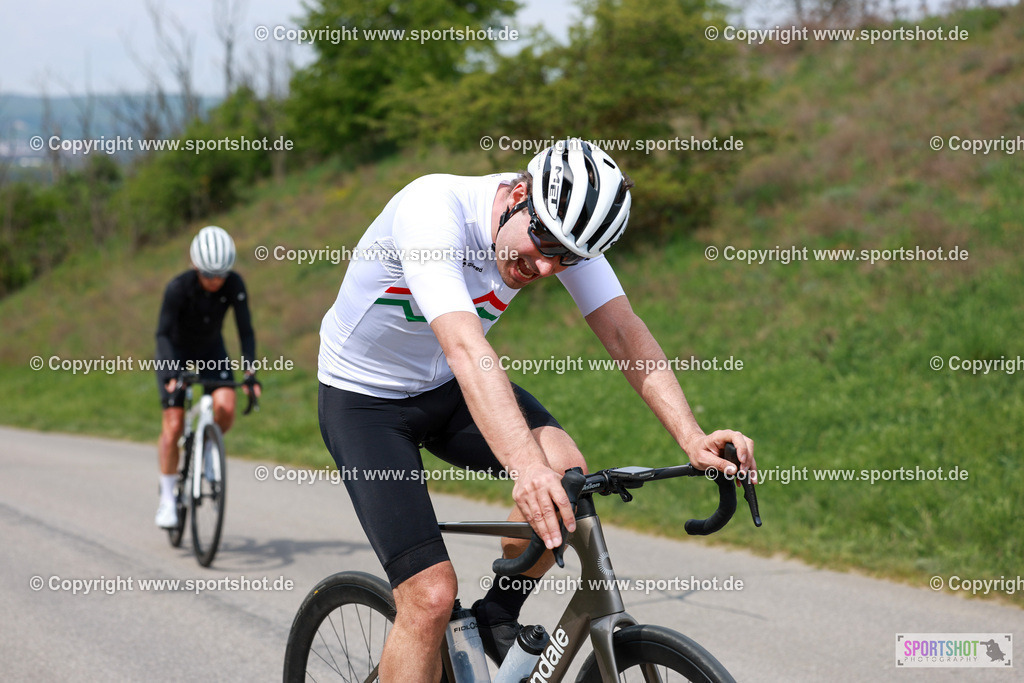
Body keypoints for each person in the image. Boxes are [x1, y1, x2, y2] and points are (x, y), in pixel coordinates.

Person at [317, 139, 756, 681]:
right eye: (544, 241)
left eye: (567, 258)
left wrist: (692, 438)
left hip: (447, 388)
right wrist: (524, 468)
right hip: (365, 400)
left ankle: (498, 612)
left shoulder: (558, 230)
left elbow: (623, 331)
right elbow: (466, 347)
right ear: (518, 193)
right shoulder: (434, 210)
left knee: (566, 472)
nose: (547, 266)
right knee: (429, 597)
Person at [154, 225, 261, 528]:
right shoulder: (177, 288)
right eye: (208, 275)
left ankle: (210, 444)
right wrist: (173, 373)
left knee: (226, 406)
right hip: (174, 351)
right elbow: (162, 333)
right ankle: (166, 498)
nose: (215, 282)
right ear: (195, 266)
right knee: (173, 424)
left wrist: (250, 372)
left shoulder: (233, 284)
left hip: (211, 350)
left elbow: (245, 330)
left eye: (221, 275)